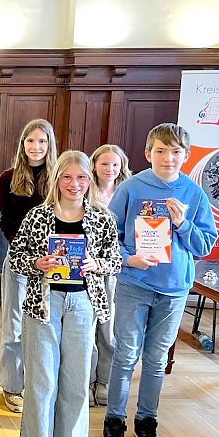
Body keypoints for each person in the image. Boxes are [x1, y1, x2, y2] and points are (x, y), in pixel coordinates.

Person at [8, 151, 121, 437]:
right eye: (67, 177)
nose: (74, 184)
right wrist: (37, 263)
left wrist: (95, 265)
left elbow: (115, 259)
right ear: (56, 179)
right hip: (43, 303)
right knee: (42, 382)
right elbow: (15, 258)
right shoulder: (37, 216)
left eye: (81, 178)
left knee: (73, 384)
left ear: (90, 180)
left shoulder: (102, 218)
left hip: (83, 304)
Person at [103, 124, 217, 437]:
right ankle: (114, 419)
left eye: (176, 151)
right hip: (134, 284)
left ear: (186, 155)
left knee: (155, 359)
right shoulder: (130, 188)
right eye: (161, 151)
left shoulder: (193, 194)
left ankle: (146, 419)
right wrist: (130, 259)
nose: (169, 158)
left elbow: (205, 244)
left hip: (174, 289)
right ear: (148, 153)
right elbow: (108, 238)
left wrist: (183, 224)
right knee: (125, 355)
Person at [0, 119, 58, 413]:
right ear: (23, 145)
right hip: (21, 259)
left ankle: (39, 384)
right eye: (31, 141)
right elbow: (7, 223)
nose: (36, 147)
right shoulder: (9, 177)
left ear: (50, 145)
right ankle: (12, 386)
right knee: (14, 327)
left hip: (53, 263)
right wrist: (26, 251)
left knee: (46, 326)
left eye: (42, 142)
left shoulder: (59, 176)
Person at [88, 144, 131, 406]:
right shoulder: (84, 189)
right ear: (94, 165)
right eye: (104, 163)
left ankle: (104, 380)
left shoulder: (127, 193)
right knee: (85, 328)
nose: (110, 169)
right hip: (87, 268)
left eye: (115, 164)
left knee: (108, 328)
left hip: (114, 270)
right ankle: (86, 380)